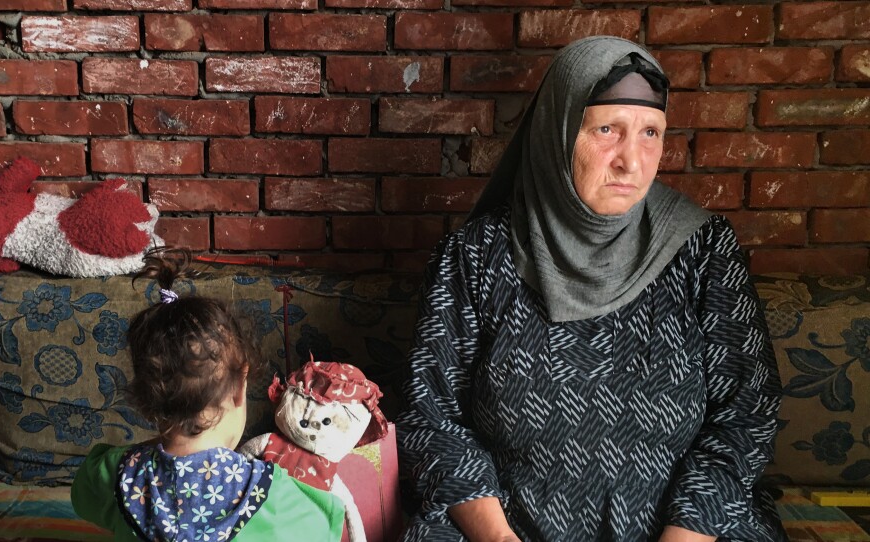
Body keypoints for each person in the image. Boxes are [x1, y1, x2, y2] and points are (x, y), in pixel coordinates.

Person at [396, 36, 786, 542]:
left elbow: (747, 411)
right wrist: (497, 537)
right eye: (607, 129)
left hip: (686, 529)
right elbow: (430, 414)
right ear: (558, 131)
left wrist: (685, 535)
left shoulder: (703, 250)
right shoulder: (476, 255)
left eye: (651, 133)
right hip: (505, 523)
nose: (632, 160)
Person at [71, 248, 345, 542]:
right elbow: (326, 524)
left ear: (149, 398)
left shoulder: (116, 475)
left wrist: (151, 448)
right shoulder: (276, 497)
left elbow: (82, 495)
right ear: (240, 387)